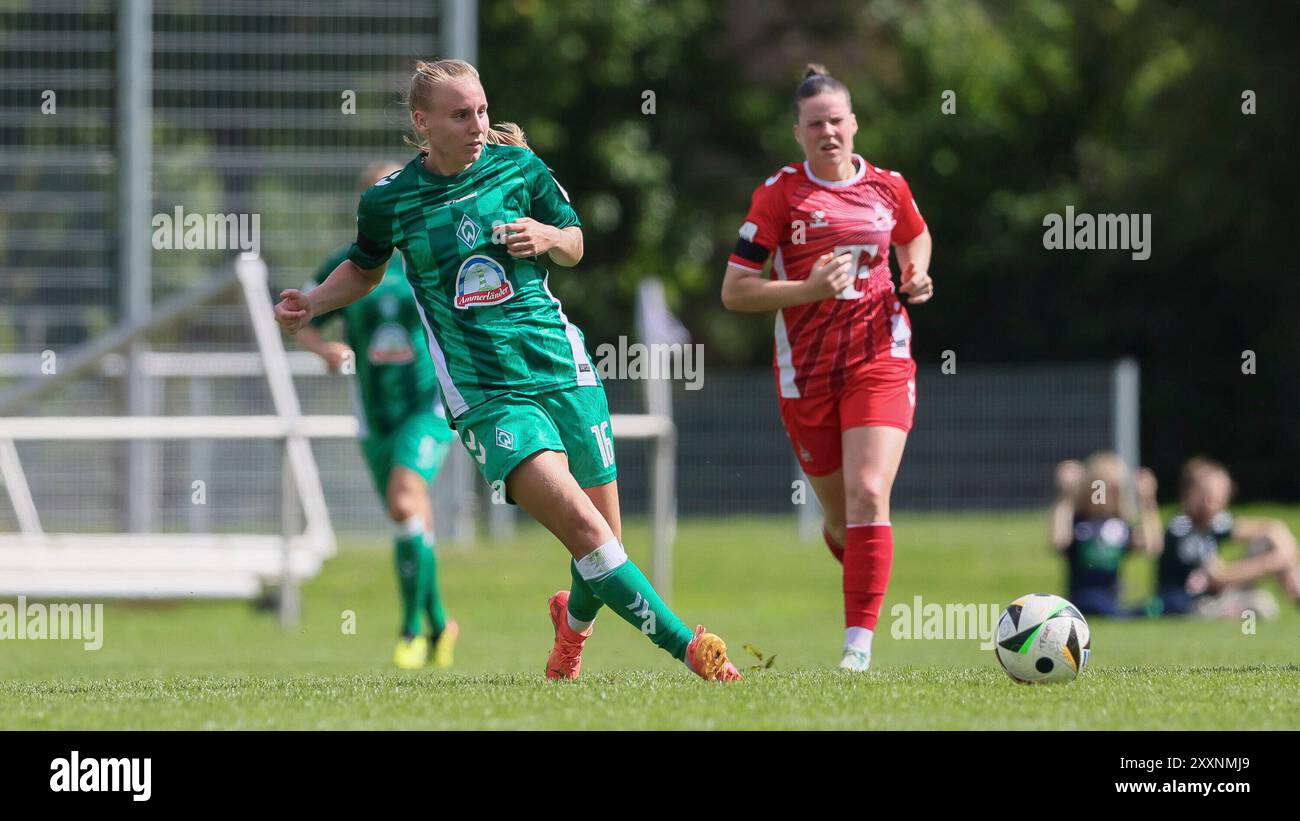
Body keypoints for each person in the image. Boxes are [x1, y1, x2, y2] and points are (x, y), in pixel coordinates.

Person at [275, 59, 741, 681]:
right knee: (584, 529)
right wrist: (313, 303)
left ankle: (568, 636)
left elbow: (575, 242)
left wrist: (546, 236)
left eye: (483, 110)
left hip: (563, 368)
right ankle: (690, 647)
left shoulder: (519, 168)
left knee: (603, 543)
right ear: (423, 123)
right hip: (487, 394)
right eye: (461, 114)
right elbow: (364, 268)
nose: (478, 125)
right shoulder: (389, 201)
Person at [720, 64, 933, 671]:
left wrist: (915, 271)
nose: (829, 132)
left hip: (880, 358)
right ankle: (864, 562)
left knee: (870, 493)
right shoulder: (780, 194)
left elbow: (915, 236)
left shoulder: (888, 186)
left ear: (855, 123)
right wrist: (808, 287)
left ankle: (856, 652)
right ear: (798, 133)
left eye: (837, 120)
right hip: (806, 376)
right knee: (844, 520)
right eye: (816, 124)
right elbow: (736, 292)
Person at [293, 161, 458, 670]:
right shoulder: (349, 266)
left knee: (405, 500)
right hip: (375, 414)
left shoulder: (430, 257)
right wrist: (324, 348)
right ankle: (439, 623)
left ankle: (410, 631)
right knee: (409, 515)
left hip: (426, 407)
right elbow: (300, 315)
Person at [1154, 457, 1300, 619]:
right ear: (1190, 494)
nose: (1215, 500)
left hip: (1213, 597)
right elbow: (1218, 578)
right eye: (1209, 493)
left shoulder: (1213, 522)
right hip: (1190, 606)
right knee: (1261, 605)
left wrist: (1288, 562)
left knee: (1266, 543)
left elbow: (1272, 528)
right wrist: (1269, 563)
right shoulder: (1182, 529)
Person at [1049, 453, 1161, 617]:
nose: (1103, 497)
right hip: (1079, 600)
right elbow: (1058, 541)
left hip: (1110, 602)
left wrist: (1147, 501)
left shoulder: (1121, 526)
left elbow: (1153, 546)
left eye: (1111, 490)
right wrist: (1065, 496)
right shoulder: (1078, 522)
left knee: (1151, 608)